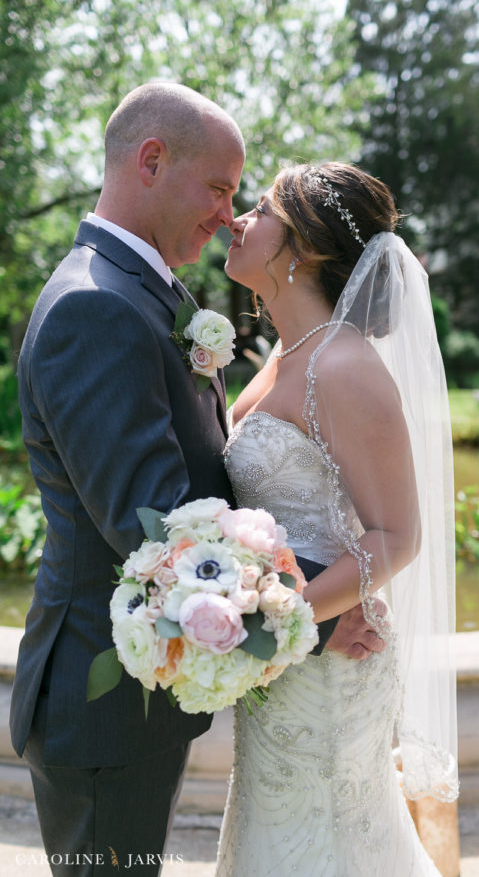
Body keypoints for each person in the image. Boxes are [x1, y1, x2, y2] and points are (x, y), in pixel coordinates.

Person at [10, 86, 380, 875]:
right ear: (151, 161)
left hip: (139, 701)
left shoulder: (143, 292)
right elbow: (161, 523)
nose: (228, 213)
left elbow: (208, 473)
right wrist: (313, 605)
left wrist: (316, 597)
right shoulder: (95, 307)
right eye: (219, 187)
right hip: (101, 706)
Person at [217, 162, 459, 874]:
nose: (237, 219)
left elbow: (397, 535)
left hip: (320, 665)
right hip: (284, 658)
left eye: (262, 210)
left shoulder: (343, 367)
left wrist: (279, 619)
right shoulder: (281, 360)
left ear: (309, 249)